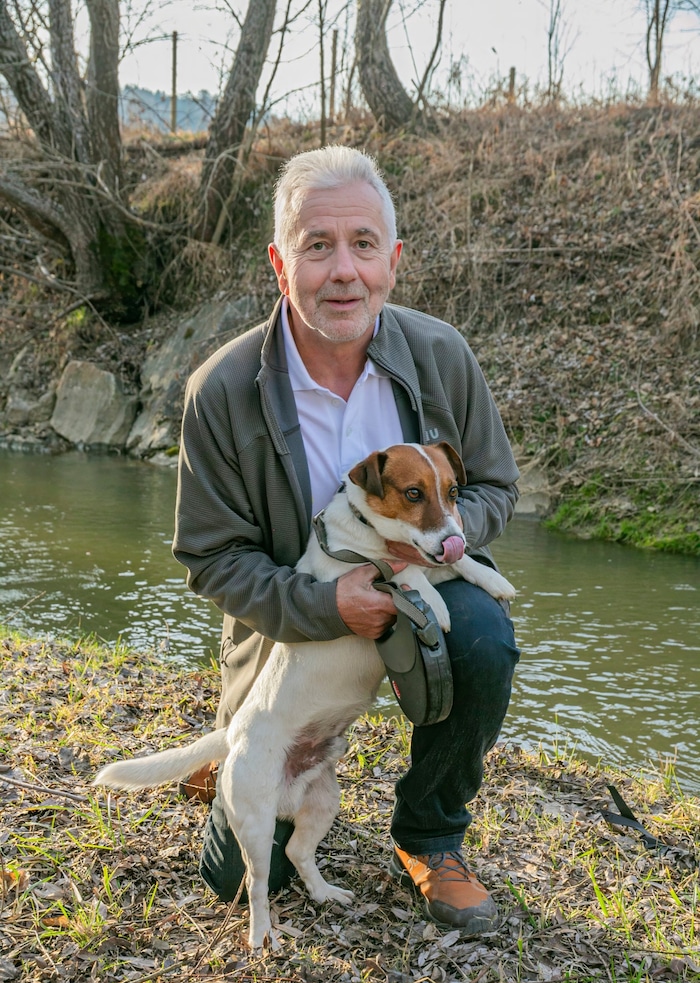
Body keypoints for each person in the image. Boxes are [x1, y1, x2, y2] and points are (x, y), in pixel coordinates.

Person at [172, 145, 520, 934]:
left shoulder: (442, 356)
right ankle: (232, 757)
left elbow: (497, 489)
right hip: (292, 633)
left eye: (363, 244)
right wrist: (327, 601)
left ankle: (430, 836)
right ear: (278, 262)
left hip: (425, 587)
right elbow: (211, 558)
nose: (343, 271)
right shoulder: (221, 392)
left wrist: (436, 545)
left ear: (392, 260)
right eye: (317, 245)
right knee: (237, 884)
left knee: (487, 639)